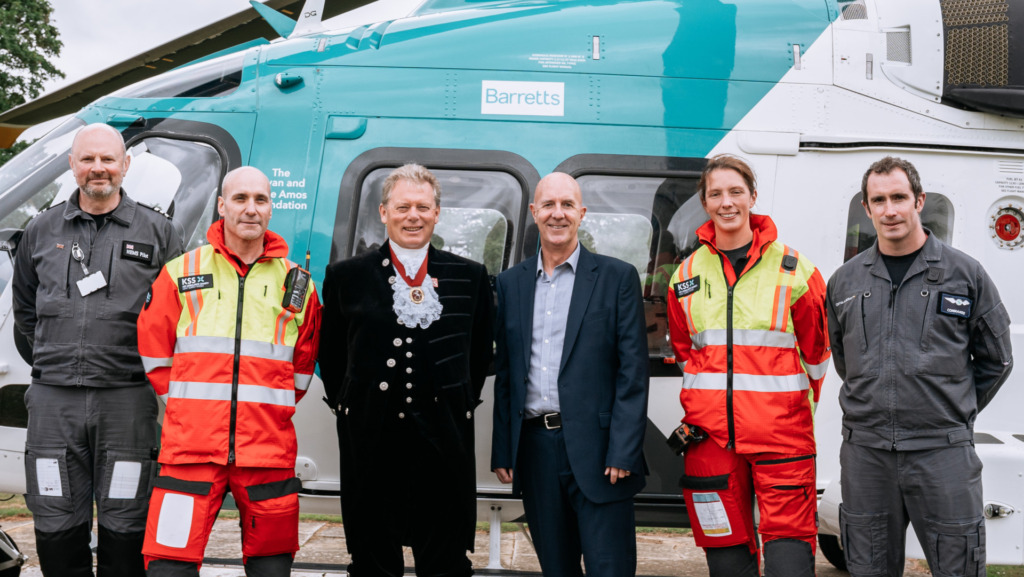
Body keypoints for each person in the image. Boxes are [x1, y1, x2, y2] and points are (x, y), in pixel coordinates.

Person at [826, 156, 1013, 577]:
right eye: (879, 200)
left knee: (958, 568)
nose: (890, 209)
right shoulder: (844, 282)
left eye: (898, 197)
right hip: (867, 454)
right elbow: (846, 359)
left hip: (941, 452)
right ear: (867, 208)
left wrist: (948, 406)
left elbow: (997, 359)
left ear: (919, 201)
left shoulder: (965, 274)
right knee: (867, 567)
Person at [11, 123, 183, 577]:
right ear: (72, 166)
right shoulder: (41, 231)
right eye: (87, 159)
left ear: (125, 166)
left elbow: (178, 316)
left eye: (108, 159)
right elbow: (25, 311)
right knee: (54, 515)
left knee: (126, 520)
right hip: (53, 403)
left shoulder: (161, 233)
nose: (98, 168)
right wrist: (58, 360)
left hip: (126, 402)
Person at [136, 166, 321, 576]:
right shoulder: (180, 272)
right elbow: (153, 351)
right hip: (190, 450)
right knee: (169, 568)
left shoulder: (298, 284)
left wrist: (266, 409)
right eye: (240, 199)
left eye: (260, 200)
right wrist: (187, 409)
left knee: (271, 568)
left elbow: (302, 369)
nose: (250, 209)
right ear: (222, 206)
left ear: (272, 208)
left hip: (267, 451)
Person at [319, 163, 493, 577]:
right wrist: (349, 403)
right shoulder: (347, 276)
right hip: (372, 440)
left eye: (422, 207)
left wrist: (458, 398)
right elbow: (333, 353)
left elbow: (480, 353)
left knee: (445, 561)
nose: (412, 215)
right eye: (402, 207)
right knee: (373, 557)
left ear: (436, 213)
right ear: (383, 213)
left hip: (443, 441)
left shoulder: (469, 277)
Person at [666, 154, 830, 577]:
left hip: (783, 438)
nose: (727, 202)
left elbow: (817, 357)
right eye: (716, 193)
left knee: (790, 559)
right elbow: (688, 354)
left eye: (736, 191)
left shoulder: (797, 270)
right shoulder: (684, 276)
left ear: (753, 196)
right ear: (704, 202)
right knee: (725, 559)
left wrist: (789, 411)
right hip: (709, 442)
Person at [491, 172, 649, 577]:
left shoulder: (617, 278)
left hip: (602, 456)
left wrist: (623, 449)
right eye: (548, 205)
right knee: (556, 570)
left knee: (608, 570)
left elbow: (633, 372)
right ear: (534, 213)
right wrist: (503, 448)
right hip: (535, 451)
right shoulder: (510, 284)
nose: (557, 214)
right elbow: (508, 374)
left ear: (581, 213)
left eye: (566, 205)